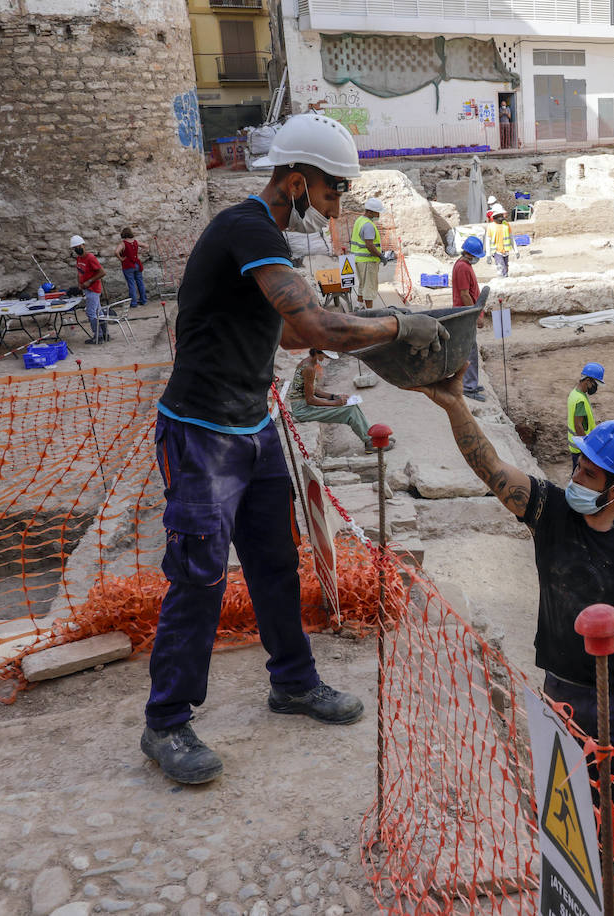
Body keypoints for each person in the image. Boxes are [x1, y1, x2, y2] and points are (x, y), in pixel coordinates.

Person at [143, 112, 449, 786]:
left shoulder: (268, 239)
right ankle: (166, 722)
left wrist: (341, 337)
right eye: (333, 191)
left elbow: (286, 336)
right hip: (200, 433)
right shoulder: (245, 225)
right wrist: (396, 324)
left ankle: (293, 682)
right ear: (298, 179)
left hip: (251, 427)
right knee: (198, 575)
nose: (336, 205)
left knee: (276, 561)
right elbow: (309, 323)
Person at [415, 373, 614, 916]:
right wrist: (455, 408)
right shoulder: (548, 511)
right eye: (577, 464)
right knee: (582, 794)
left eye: (588, 471)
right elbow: (490, 467)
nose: (575, 474)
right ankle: (603, 865)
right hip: (564, 689)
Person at [288, 349, 392, 454]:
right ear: (317, 352)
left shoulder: (308, 362)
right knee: (349, 411)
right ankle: (370, 443)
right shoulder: (309, 368)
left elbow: (313, 390)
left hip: (303, 406)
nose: (326, 359)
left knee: (353, 407)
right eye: (326, 356)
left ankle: (371, 437)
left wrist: (334, 397)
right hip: (302, 410)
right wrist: (334, 403)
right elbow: (310, 399)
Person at [453, 234, 490, 402]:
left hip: (466, 314)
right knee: (470, 351)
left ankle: (470, 383)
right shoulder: (462, 267)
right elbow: (464, 294)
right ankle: (468, 386)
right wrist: (475, 315)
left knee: (470, 350)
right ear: (470, 254)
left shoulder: (465, 265)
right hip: (465, 315)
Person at [567, 362, 603, 471]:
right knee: (579, 476)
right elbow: (578, 426)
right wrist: (586, 449)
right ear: (588, 381)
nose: (595, 387)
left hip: (576, 445)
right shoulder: (580, 400)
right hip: (580, 448)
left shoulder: (575, 393)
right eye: (595, 384)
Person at [71, 234, 107, 344]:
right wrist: (80, 285)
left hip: (93, 289)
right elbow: (79, 272)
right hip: (87, 289)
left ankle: (98, 336)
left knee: (91, 313)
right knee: (98, 312)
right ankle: (105, 334)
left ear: (83, 245)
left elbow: (102, 272)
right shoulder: (79, 259)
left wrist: (89, 281)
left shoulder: (90, 258)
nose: (77, 249)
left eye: (79, 246)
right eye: (75, 247)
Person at [350, 197, 385, 308]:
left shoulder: (360, 220)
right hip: (368, 261)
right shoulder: (368, 225)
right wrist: (381, 256)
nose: (379, 215)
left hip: (359, 260)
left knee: (363, 285)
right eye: (377, 212)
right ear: (370, 212)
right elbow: (369, 245)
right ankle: (370, 312)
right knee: (369, 287)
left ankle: (359, 306)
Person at [114, 228, 148, 309]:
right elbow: (146, 246)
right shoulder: (135, 242)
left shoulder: (123, 244)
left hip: (128, 265)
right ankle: (143, 300)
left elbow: (116, 252)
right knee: (140, 282)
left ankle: (134, 303)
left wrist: (121, 258)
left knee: (131, 284)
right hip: (137, 264)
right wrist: (141, 252)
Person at [485, 204, 513, 277]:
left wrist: (516, 250)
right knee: (500, 267)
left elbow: (511, 238)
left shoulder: (506, 225)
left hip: (505, 250)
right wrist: (488, 255)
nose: (501, 217)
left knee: (506, 267)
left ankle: (505, 278)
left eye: (501, 215)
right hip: (496, 251)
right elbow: (487, 241)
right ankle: (502, 280)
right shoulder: (491, 226)